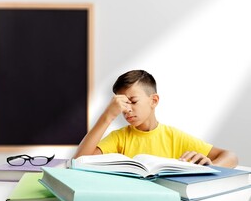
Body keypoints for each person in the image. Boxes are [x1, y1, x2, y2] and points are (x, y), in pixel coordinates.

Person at [74, 69, 238, 168]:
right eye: (123, 103)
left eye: (133, 101)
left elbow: (231, 156)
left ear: (154, 101)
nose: (127, 109)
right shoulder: (119, 138)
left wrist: (209, 167)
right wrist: (107, 116)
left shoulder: (173, 137)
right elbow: (79, 161)